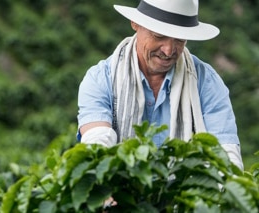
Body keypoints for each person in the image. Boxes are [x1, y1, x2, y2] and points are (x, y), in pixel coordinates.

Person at [77, 0, 244, 170]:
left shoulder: (206, 82)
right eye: (159, 36)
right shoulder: (101, 78)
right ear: (135, 23)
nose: (169, 50)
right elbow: (97, 141)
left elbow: (226, 154)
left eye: (179, 39)